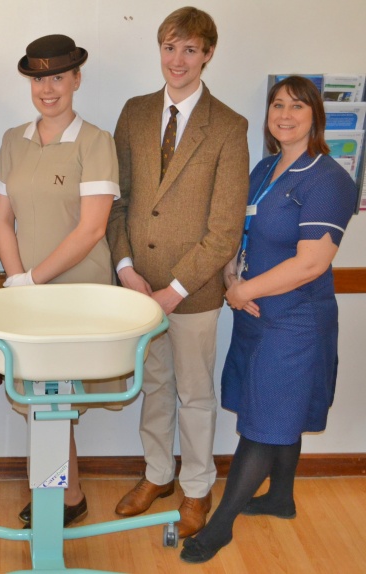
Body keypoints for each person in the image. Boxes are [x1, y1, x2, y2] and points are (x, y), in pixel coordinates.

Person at [180, 76, 357, 563]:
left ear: (315, 116)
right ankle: (280, 497)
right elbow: (239, 232)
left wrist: (241, 291)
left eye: (297, 106)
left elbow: (311, 263)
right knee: (280, 409)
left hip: (295, 321)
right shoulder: (263, 170)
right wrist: (231, 274)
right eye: (277, 104)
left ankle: (220, 527)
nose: (285, 114)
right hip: (256, 314)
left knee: (263, 422)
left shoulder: (329, 179)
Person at [106, 7, 249, 537]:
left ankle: (196, 487)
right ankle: (158, 474)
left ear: (208, 54)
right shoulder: (135, 112)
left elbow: (225, 228)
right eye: (170, 47)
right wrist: (125, 267)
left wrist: (175, 289)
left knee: (194, 393)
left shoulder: (229, 127)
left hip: (194, 293)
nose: (178, 60)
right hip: (138, 287)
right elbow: (118, 201)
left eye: (190, 49)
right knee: (155, 386)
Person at [0, 34, 121, 527]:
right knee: (42, 398)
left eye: (59, 77)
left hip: (77, 295)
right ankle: (64, 495)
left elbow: (92, 229)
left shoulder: (95, 142)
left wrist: (33, 280)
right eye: (40, 79)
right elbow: (2, 219)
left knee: (56, 399)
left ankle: (59, 496)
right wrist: (18, 281)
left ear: (77, 80)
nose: (49, 89)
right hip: (29, 295)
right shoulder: (12, 140)